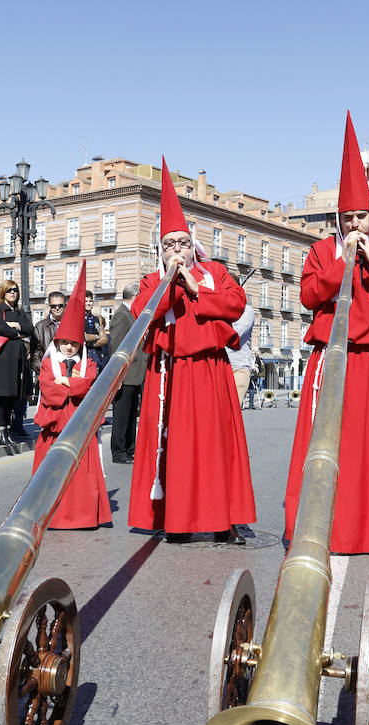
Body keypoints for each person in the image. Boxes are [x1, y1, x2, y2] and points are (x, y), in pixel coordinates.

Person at [284, 112, 369, 557]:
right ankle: (329, 532)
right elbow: (308, 295)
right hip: (335, 359)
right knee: (329, 448)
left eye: (362, 217)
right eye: (348, 219)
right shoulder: (322, 251)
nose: (355, 227)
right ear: (338, 220)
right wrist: (343, 264)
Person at [128, 157, 257, 544]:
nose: (178, 250)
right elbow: (143, 313)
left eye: (183, 243)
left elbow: (235, 303)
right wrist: (171, 281)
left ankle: (224, 519)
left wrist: (196, 287)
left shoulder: (214, 272)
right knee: (174, 448)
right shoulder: (152, 279)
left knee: (217, 446)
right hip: (169, 374)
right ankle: (174, 519)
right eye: (170, 245)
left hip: (210, 370)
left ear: (193, 243)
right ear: (160, 250)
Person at [32, 261, 111, 529]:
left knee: (80, 473)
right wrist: (69, 384)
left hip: (79, 428)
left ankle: (83, 515)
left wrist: (66, 382)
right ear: (57, 343)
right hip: (55, 427)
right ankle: (51, 515)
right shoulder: (47, 362)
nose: (69, 347)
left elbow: (89, 384)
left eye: (74, 343)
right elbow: (48, 388)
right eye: (64, 343)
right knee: (53, 472)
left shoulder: (87, 362)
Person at [0, 280, 33, 445]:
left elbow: (30, 329)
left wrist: (16, 325)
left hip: (17, 359)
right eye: (9, 290)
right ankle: (0, 431)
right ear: (3, 292)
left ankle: (7, 430)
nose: (13, 293)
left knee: (12, 396)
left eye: (15, 290)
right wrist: (17, 333)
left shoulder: (18, 312)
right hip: (0, 359)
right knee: (0, 397)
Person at [109, 282, 147, 463]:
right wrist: (119, 373)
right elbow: (117, 346)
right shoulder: (121, 316)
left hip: (135, 373)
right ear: (135, 296)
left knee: (131, 414)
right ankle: (119, 451)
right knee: (122, 415)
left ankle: (130, 449)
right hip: (126, 374)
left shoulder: (131, 314)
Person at [226, 296, 255, 408]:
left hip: (238, 368)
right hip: (219, 366)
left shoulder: (247, 310)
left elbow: (236, 334)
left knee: (232, 410)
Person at [31, 291, 67, 377]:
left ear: (65, 305)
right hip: (47, 374)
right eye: (54, 306)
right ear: (49, 306)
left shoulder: (71, 324)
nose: (57, 308)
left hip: (68, 374)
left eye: (60, 305)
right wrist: (44, 372)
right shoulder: (40, 326)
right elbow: (35, 354)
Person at [84, 291, 109, 374]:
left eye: (90, 301)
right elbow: (83, 337)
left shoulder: (97, 319)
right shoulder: (78, 319)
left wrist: (92, 343)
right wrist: (97, 337)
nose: (88, 303)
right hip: (84, 355)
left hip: (97, 355)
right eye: (86, 301)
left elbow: (104, 339)